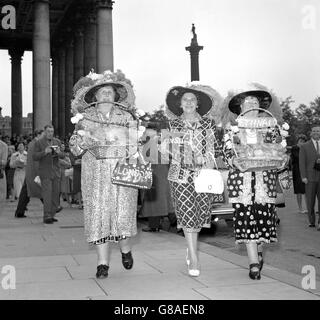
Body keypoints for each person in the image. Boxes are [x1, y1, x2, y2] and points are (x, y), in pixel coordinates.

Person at [69, 70, 141, 279]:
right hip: (95, 176)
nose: (107, 95)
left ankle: (125, 249)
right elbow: (74, 148)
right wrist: (82, 141)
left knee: (122, 216)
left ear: (116, 95)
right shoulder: (85, 119)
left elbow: (136, 144)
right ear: (95, 96)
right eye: (102, 92)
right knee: (98, 217)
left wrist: (127, 147)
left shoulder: (127, 117)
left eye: (110, 92)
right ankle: (102, 263)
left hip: (121, 174)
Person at [222, 86, 287, 280]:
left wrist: (283, 161)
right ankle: (253, 264)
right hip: (241, 183)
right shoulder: (232, 129)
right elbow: (227, 154)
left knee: (263, 222)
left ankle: (258, 251)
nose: (251, 104)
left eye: (255, 102)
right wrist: (234, 161)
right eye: (247, 102)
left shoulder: (272, 127)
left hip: (264, 182)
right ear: (240, 107)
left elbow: (280, 152)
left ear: (261, 107)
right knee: (246, 222)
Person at [162, 83, 223, 277]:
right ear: (180, 104)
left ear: (198, 104)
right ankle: (194, 258)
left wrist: (206, 161)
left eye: (192, 99)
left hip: (203, 175)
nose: (189, 102)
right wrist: (184, 157)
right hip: (180, 176)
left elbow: (216, 149)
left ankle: (190, 247)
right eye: (185, 99)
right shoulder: (172, 124)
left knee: (198, 215)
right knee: (187, 214)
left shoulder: (209, 124)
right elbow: (166, 150)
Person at [33, 124, 65, 224]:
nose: (50, 133)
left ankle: (52, 214)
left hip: (56, 172)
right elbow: (34, 156)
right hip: (45, 172)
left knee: (55, 195)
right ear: (45, 132)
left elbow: (63, 156)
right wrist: (44, 152)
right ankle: (46, 216)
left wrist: (59, 152)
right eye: (48, 131)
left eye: (52, 132)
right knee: (47, 195)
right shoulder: (39, 143)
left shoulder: (57, 142)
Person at [15, 130, 44, 218]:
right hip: (33, 172)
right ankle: (52, 207)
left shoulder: (33, 143)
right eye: (43, 135)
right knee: (42, 190)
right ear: (38, 135)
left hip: (30, 172)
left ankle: (20, 211)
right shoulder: (35, 144)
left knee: (25, 193)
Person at [299, 125, 320, 230]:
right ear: (311, 133)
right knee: (310, 201)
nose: (316, 132)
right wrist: (303, 176)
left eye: (318, 131)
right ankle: (311, 221)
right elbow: (301, 163)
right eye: (314, 131)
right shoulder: (304, 146)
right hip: (309, 178)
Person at [291, 134, 308, 214]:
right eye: (300, 141)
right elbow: (297, 157)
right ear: (298, 141)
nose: (301, 142)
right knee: (298, 190)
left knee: (306, 190)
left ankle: (308, 207)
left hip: (305, 170)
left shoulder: (305, 148)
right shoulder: (294, 148)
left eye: (303, 141)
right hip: (297, 171)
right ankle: (300, 208)